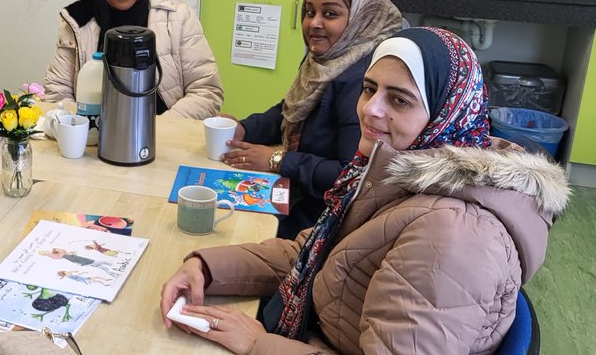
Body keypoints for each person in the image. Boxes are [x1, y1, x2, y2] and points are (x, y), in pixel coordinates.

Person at [160, 27, 570, 354]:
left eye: (400, 100)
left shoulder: (452, 235)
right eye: (370, 88)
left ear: (445, 115)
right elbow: (314, 254)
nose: (370, 109)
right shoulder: (400, 174)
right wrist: (207, 267)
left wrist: (256, 344)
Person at [220, 0, 404, 239]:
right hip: (303, 193)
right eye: (309, 12)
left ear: (362, 17)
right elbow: (293, 110)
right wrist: (245, 129)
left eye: (330, 14)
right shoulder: (329, 59)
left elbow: (350, 174)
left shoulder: (363, 79)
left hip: (326, 216)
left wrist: (277, 159)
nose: (314, 23)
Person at [43, 0, 222, 119]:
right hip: (95, 134)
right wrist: (87, 129)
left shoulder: (177, 16)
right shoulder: (78, 20)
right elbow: (58, 90)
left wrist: (157, 129)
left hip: (166, 131)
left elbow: (205, 91)